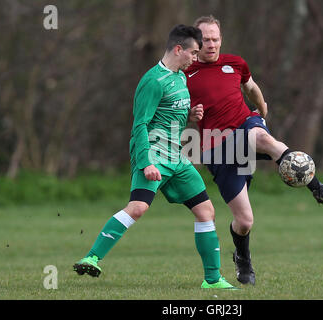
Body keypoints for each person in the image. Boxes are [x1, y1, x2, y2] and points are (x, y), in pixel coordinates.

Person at [73, 24, 237, 290]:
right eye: (193, 53)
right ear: (178, 49)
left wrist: (190, 116)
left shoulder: (181, 78)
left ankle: (212, 279)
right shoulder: (152, 80)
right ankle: (92, 257)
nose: (196, 58)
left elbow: (171, 115)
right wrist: (146, 161)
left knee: (206, 211)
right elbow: (140, 124)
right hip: (153, 154)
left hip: (177, 157)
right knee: (138, 207)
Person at [184, 15, 323, 285]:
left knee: (263, 138)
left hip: (246, 125)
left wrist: (262, 108)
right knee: (244, 221)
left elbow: (251, 87)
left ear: (221, 39)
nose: (211, 44)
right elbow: (174, 112)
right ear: (196, 42)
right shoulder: (184, 72)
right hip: (216, 145)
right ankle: (242, 259)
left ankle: (317, 187)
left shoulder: (235, 63)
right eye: (205, 39)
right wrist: (191, 114)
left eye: (215, 39)